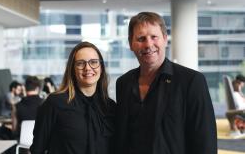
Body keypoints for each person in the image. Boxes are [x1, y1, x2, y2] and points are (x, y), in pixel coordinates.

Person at [115, 12, 217, 154]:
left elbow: (205, 142)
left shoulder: (192, 81)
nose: (148, 44)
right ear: (131, 44)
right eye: (141, 38)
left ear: (165, 39)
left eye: (154, 37)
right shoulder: (123, 83)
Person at [30, 42, 116, 154]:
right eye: (80, 63)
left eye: (94, 62)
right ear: (72, 69)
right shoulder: (54, 103)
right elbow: (37, 149)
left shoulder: (110, 107)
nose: (87, 68)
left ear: (101, 68)